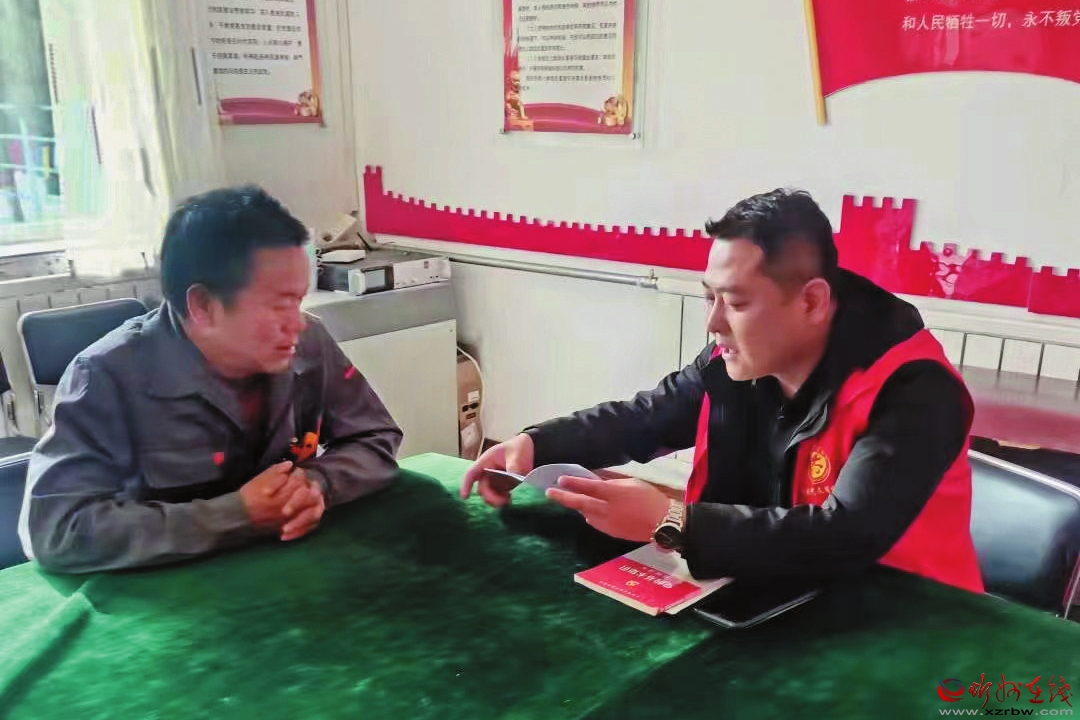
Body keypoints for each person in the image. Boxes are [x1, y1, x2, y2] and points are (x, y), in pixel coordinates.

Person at [462, 188, 984, 593]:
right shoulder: (739, 358)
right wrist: (537, 444)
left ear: (811, 301)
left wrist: (672, 522)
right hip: (778, 597)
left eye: (734, 303)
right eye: (708, 297)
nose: (713, 323)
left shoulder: (915, 390)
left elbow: (845, 535)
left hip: (910, 622)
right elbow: (649, 416)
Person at [19, 186, 403, 574]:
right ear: (202, 305)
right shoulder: (106, 377)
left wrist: (316, 485)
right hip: (168, 590)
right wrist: (236, 515)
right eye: (278, 305)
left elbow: (376, 437)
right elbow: (56, 530)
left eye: (298, 301)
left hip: (293, 571)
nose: (297, 323)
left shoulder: (308, 342)